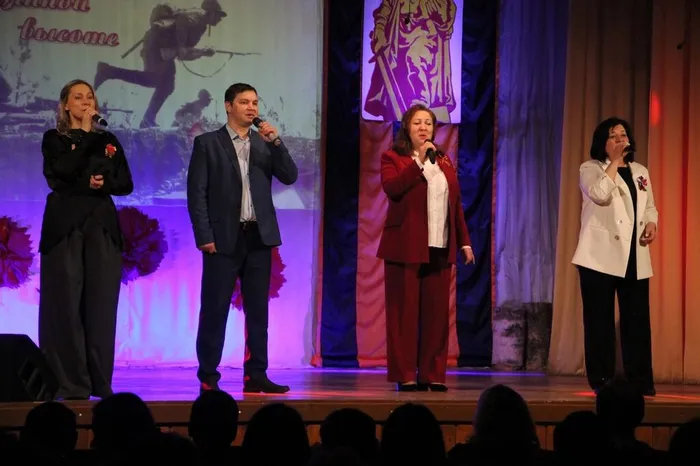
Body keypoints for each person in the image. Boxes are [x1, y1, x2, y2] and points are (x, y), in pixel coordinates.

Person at [187, 82, 298, 394]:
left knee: (258, 311)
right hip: (223, 238)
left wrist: (277, 143)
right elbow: (197, 194)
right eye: (244, 102)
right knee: (215, 308)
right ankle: (208, 375)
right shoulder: (208, 143)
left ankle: (256, 374)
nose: (251, 108)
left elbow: (290, 176)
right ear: (228, 106)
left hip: (258, 237)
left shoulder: (264, 144)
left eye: (254, 103)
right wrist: (204, 235)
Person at [39, 79, 134, 400]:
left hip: (101, 225)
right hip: (65, 225)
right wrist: (84, 136)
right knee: (65, 302)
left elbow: (125, 183)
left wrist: (102, 183)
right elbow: (60, 173)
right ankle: (70, 382)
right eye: (78, 98)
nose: (85, 102)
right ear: (66, 105)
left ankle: (99, 381)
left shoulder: (108, 140)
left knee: (101, 304)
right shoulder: (54, 139)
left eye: (89, 97)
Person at [377, 103, 474, 392]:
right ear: (407, 127)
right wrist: (418, 161)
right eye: (417, 123)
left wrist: (465, 241)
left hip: (439, 246)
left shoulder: (443, 160)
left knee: (436, 316)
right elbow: (393, 189)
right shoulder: (392, 157)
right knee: (403, 314)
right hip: (404, 247)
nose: (423, 128)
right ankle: (406, 374)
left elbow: (455, 203)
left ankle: (433, 374)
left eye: (428, 123)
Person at [572, 116, 659, 396]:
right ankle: (602, 381)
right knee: (600, 322)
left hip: (634, 255)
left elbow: (649, 206)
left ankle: (641, 381)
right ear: (603, 143)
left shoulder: (640, 171)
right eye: (614, 136)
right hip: (598, 257)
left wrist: (652, 223)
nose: (621, 139)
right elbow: (600, 194)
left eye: (623, 134)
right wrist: (613, 162)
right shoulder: (590, 169)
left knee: (637, 321)